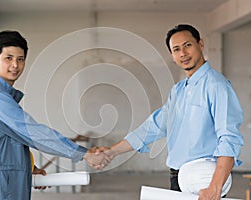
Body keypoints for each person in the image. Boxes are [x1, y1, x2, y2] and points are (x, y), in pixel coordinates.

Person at [98, 24, 244, 200]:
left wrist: (215, 186)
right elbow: (154, 126)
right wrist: (111, 152)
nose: (183, 53)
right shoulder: (178, 90)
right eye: (176, 49)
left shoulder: (216, 85)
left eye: (188, 45)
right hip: (178, 177)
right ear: (172, 55)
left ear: (201, 44)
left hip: (204, 179)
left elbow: (229, 137)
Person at [0, 30, 111, 200]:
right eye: (8, 58)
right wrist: (83, 153)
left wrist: (29, 167)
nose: (15, 65)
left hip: (6, 184)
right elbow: (31, 132)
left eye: (20, 59)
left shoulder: (1, 96)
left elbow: (8, 141)